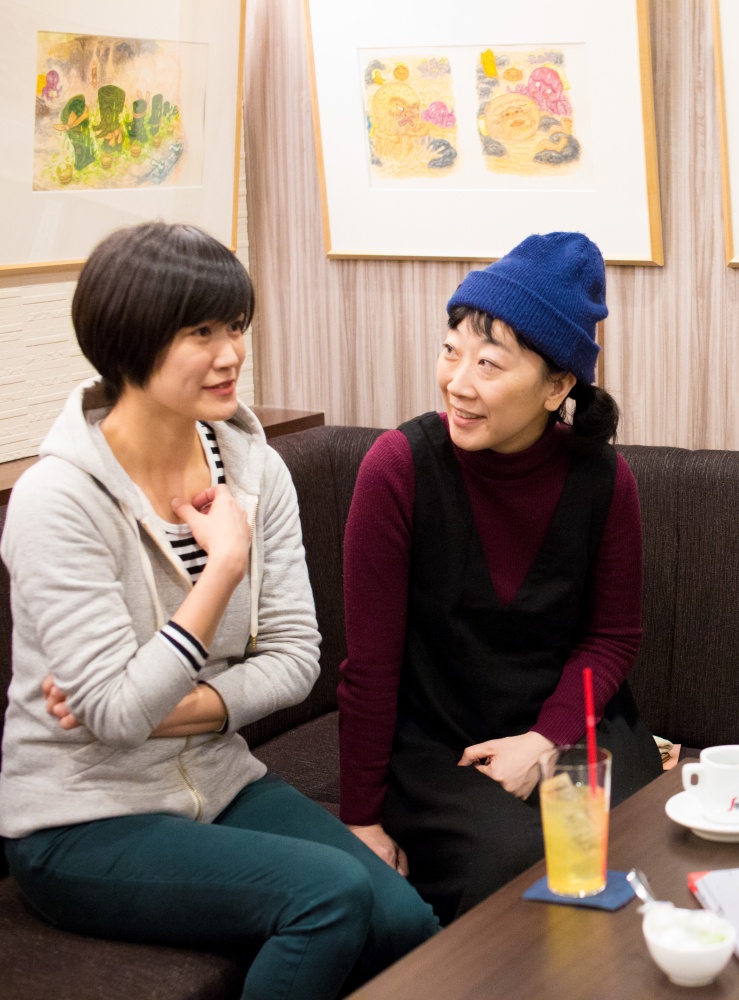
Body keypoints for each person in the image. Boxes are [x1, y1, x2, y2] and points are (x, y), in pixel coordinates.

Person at [0, 223, 438, 1000]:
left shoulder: (255, 468)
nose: (231, 352)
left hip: (219, 776)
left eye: (235, 326)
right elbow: (113, 716)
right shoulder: (57, 500)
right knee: (328, 898)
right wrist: (223, 570)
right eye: (200, 332)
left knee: (407, 922)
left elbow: (295, 660)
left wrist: (157, 712)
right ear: (129, 341)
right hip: (80, 818)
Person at [338, 232, 662, 923]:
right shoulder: (398, 470)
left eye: (488, 363)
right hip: (441, 743)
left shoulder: (604, 480)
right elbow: (369, 665)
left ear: (557, 387)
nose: (458, 382)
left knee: (634, 846)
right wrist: (360, 820)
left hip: (572, 726)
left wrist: (544, 741)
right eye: (450, 351)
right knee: (517, 865)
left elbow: (611, 638)